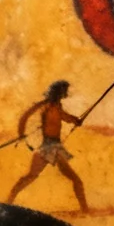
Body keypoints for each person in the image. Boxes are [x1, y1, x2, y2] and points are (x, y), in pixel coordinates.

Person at [8, 80, 90, 212]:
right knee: (31, 176)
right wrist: (21, 133)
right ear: (59, 92)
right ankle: (9, 200)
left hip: (55, 147)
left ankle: (85, 209)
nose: (66, 93)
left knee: (74, 180)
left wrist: (75, 120)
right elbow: (25, 116)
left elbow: (65, 117)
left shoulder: (58, 106)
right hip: (48, 146)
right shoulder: (45, 106)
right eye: (64, 91)